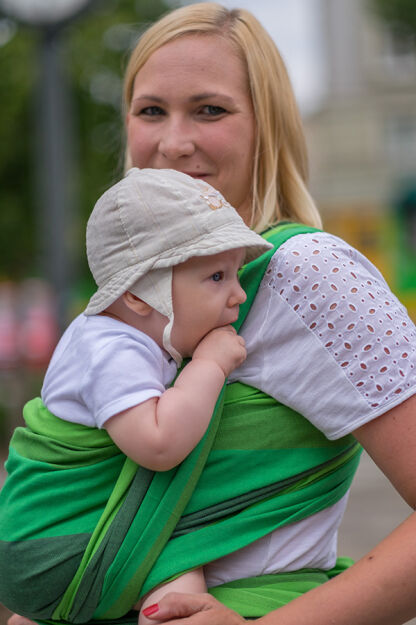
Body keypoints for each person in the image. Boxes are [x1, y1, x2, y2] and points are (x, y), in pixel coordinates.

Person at [5, 2, 416, 624]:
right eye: (150, 111)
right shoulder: (132, 298)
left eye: (210, 110)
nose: (173, 143)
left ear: (267, 126)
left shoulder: (308, 275)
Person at [0, 167, 271, 625]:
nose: (238, 294)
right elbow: (158, 445)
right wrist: (209, 366)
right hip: (53, 542)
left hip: (45, 549)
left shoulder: (131, 339)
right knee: (180, 581)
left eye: (237, 273)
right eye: (216, 277)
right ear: (139, 296)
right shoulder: (110, 348)